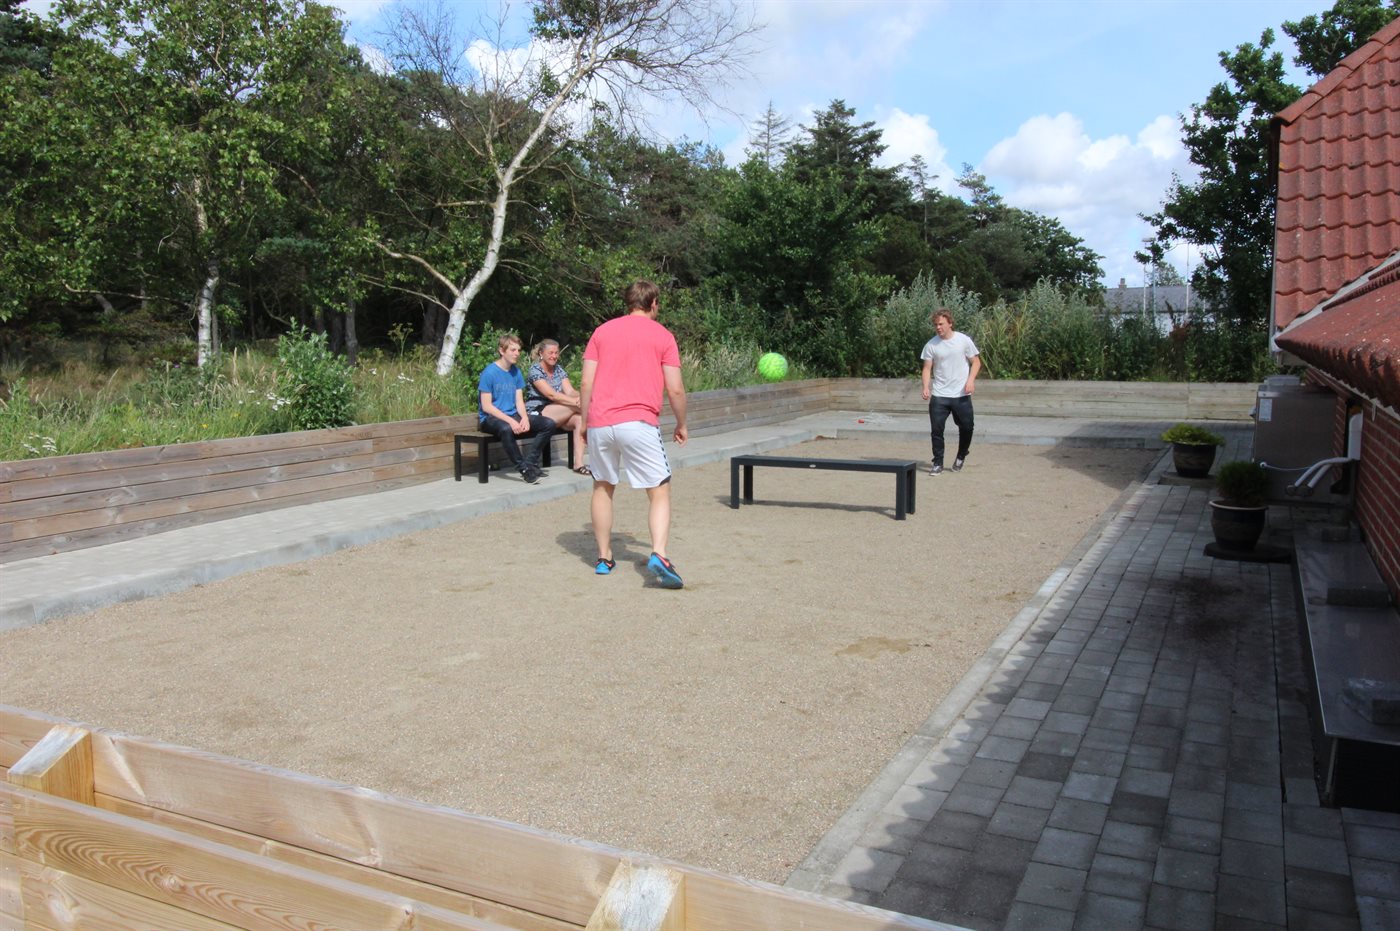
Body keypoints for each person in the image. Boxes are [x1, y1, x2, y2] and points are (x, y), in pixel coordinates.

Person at [579, 280, 688, 588]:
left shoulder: (602, 331)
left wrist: (585, 422)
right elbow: (676, 388)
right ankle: (660, 554)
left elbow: (586, 383)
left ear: (628, 302)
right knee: (659, 489)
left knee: (602, 486)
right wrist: (681, 423)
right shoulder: (663, 336)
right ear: (653, 303)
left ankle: (603, 557)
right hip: (638, 422)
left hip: (601, 421)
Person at [477, 332, 557, 483]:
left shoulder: (516, 372)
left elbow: (519, 401)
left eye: (518, 350)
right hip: (490, 419)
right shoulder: (489, 373)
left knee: (549, 424)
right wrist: (511, 421)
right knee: (506, 428)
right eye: (513, 350)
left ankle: (530, 462)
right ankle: (524, 469)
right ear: (502, 350)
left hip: (512, 415)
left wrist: (525, 418)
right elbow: (486, 406)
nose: (517, 354)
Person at [920, 308, 981, 475]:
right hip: (940, 395)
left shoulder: (963, 341)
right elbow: (927, 368)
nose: (938, 327)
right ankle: (937, 463)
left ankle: (961, 455)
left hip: (961, 394)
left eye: (941, 324)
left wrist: (970, 381)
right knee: (937, 430)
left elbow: (976, 362)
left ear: (950, 323)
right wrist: (926, 387)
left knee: (967, 427)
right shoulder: (931, 345)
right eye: (935, 325)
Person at [526, 339, 589, 475]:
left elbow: (570, 391)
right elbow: (551, 395)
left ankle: (578, 464)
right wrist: (578, 403)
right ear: (541, 353)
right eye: (551, 353)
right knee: (581, 409)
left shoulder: (559, 369)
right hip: (538, 411)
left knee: (579, 418)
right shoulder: (535, 370)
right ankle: (600, 426)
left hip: (558, 411)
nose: (554, 356)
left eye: (556, 353)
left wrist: (580, 398)